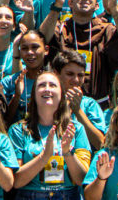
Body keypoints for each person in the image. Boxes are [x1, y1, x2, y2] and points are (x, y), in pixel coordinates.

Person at [9, 71, 91, 199]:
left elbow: (82, 180)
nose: (47, 89)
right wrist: (44, 157)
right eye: (42, 85)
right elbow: (16, 181)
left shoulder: (76, 129)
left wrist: (68, 153)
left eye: (53, 85)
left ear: (61, 94)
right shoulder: (18, 130)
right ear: (34, 95)